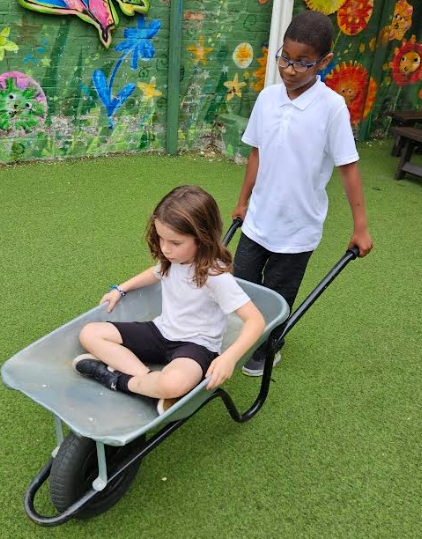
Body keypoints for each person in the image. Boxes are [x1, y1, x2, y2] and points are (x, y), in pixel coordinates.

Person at [232, 10, 373, 377]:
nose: (290, 69)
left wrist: (360, 227)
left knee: (278, 296)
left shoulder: (332, 108)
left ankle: (268, 348)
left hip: (297, 230)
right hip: (258, 219)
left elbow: (348, 167)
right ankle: (244, 337)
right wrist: (243, 201)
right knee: (240, 285)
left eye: (301, 62)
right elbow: (257, 152)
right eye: (285, 58)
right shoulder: (268, 99)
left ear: (324, 61)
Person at [73, 185, 265, 414]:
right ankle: (147, 382)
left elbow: (256, 321)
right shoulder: (173, 260)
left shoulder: (215, 276)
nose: (165, 248)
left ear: (202, 238)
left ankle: (117, 380)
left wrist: (230, 357)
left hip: (195, 346)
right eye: (161, 238)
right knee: (90, 333)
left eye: (175, 243)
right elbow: (155, 272)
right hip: (161, 331)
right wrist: (121, 289)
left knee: (173, 383)